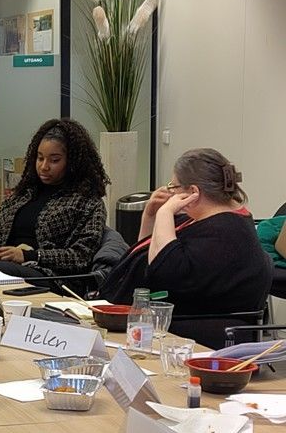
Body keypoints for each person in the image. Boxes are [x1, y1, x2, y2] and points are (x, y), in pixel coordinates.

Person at [98, 148, 273, 346]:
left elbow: (164, 272)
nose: (170, 193)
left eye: (174, 187)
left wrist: (165, 213)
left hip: (182, 335)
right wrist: (151, 216)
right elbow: (149, 255)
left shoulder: (226, 232)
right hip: (138, 321)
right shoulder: (202, 220)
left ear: (193, 192)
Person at [0, 118, 109, 280]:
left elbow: (81, 256)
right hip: (3, 269)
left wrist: (30, 256)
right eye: (40, 158)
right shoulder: (22, 195)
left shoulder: (88, 202)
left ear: (72, 162)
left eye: (54, 160)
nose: (44, 166)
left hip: (48, 277)